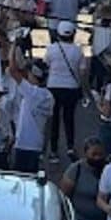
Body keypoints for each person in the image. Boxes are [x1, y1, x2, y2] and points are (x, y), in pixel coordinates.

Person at [58, 137, 108, 220]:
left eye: (100, 154)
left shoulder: (109, 170)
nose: (97, 158)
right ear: (86, 154)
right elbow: (63, 195)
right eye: (94, 154)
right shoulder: (75, 170)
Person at [46, 20, 86, 163]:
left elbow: (47, 64)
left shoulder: (51, 48)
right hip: (71, 87)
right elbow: (82, 71)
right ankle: (70, 146)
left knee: (54, 119)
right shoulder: (78, 50)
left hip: (53, 86)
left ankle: (53, 150)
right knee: (69, 118)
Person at [9, 56, 54, 174]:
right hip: (38, 144)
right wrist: (45, 144)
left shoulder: (31, 92)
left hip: (24, 144)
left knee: (19, 179)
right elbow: (49, 123)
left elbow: (12, 70)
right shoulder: (49, 96)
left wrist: (13, 46)